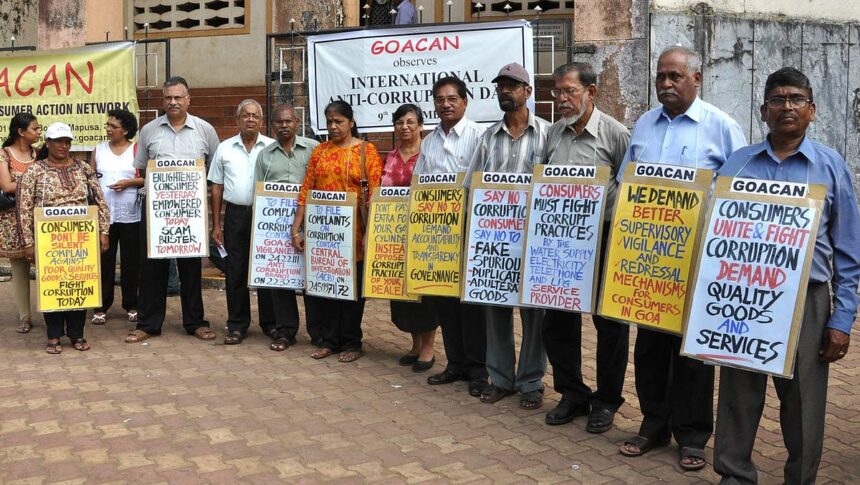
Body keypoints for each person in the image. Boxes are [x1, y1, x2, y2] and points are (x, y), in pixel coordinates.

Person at [713, 67, 860, 484]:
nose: (787, 107)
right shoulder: (738, 164)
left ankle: (800, 479)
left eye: (796, 99)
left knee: (803, 402)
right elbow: (713, 231)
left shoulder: (830, 166)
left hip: (808, 299)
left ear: (812, 110)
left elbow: (849, 251)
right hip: (743, 295)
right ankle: (735, 475)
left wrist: (841, 319)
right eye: (777, 100)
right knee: (739, 394)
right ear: (764, 110)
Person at [617, 46, 747, 471]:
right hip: (646, 260)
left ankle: (692, 436)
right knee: (650, 348)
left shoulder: (722, 127)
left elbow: (738, 195)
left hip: (697, 260)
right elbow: (625, 181)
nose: (666, 84)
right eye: (661, 76)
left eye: (674, 76)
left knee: (691, 353)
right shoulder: (644, 124)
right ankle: (654, 424)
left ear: (697, 78)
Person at [541, 62, 631, 432]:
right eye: (557, 92)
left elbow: (629, 188)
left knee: (609, 322)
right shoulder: (554, 133)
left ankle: (606, 401)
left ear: (590, 92)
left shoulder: (616, 134)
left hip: (606, 235)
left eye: (569, 91)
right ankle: (572, 393)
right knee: (558, 319)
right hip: (560, 237)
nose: (562, 99)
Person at [464, 63, 550, 409]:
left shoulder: (547, 134)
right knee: (495, 308)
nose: (504, 91)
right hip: (495, 241)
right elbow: (472, 186)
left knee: (534, 312)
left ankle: (531, 381)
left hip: (533, 239)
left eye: (512, 86)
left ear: (527, 91)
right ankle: (500, 378)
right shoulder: (488, 137)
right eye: (500, 86)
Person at [126, 76, 220, 344]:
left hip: (191, 211)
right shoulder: (149, 130)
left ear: (188, 100)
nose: (173, 102)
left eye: (178, 97)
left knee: (190, 268)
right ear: (163, 100)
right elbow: (142, 168)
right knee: (152, 267)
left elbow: (214, 170)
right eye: (168, 97)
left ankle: (195, 322)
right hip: (157, 210)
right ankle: (148, 323)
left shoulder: (205, 130)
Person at [291, 100, 382, 362]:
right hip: (325, 234)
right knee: (328, 285)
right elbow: (306, 190)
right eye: (329, 121)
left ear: (351, 122)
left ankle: (352, 343)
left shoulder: (366, 151)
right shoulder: (320, 151)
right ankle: (329, 340)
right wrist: (296, 228)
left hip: (356, 233)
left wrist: (371, 233)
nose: (333, 126)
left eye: (338, 121)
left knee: (352, 290)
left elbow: (375, 193)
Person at [414, 76, 488, 396]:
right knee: (444, 302)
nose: (445, 104)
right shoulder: (429, 141)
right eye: (440, 99)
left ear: (465, 102)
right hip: (437, 234)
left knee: (471, 305)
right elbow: (419, 183)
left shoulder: (479, 136)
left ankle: (478, 369)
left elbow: (483, 183)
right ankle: (455, 363)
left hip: (469, 230)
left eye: (452, 99)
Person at [17, 122, 111, 353]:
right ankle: (54, 335)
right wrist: (28, 242)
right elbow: (23, 208)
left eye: (67, 142)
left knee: (79, 284)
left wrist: (104, 231)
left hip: (81, 237)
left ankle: (77, 334)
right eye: (58, 141)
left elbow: (99, 200)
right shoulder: (34, 171)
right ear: (47, 143)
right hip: (49, 240)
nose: (63, 146)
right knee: (54, 285)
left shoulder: (83, 168)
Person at [254, 104, 321, 351]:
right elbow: (258, 192)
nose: (284, 126)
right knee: (280, 277)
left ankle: (318, 332)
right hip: (276, 226)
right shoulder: (265, 156)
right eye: (279, 122)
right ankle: (285, 331)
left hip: (311, 222)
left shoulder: (314, 149)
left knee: (312, 277)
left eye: (288, 121)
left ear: (297, 122)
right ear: (272, 125)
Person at [208, 100, 275, 345]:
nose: (250, 119)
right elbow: (216, 187)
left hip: (266, 214)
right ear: (238, 119)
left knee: (267, 269)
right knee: (235, 270)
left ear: (261, 121)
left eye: (255, 116)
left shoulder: (272, 147)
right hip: (235, 215)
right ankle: (237, 324)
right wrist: (217, 224)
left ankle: (271, 323)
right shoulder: (225, 148)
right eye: (245, 115)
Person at [383, 104, 439, 373]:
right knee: (403, 293)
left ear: (420, 126)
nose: (404, 127)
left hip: (424, 234)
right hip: (394, 235)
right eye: (399, 122)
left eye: (410, 122)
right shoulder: (390, 156)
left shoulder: (430, 154)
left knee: (424, 292)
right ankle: (415, 344)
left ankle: (428, 347)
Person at [90, 109, 143, 326]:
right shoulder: (99, 150)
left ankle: (132, 305)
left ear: (126, 130)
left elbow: (147, 178)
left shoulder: (137, 150)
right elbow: (90, 179)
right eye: (108, 125)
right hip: (104, 215)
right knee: (104, 260)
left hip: (131, 214)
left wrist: (128, 183)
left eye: (114, 126)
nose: (108, 129)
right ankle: (101, 306)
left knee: (131, 261)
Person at [0, 113, 40, 334]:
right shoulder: (4, 154)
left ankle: (52, 313)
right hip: (13, 219)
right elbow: (6, 186)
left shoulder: (39, 153)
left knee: (47, 267)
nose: (38, 132)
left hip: (39, 218)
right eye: (34, 128)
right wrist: (34, 180)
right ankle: (25, 317)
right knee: (20, 269)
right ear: (21, 132)